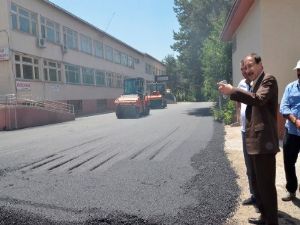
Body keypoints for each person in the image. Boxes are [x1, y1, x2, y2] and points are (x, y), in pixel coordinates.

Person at [218, 53, 279, 225]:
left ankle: (272, 221)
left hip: (264, 142)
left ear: (260, 64)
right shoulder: (254, 83)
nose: (248, 70)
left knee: (266, 186)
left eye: (250, 65)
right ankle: (265, 217)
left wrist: (233, 91)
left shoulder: (268, 79)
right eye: (245, 67)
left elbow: (258, 100)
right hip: (255, 141)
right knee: (259, 184)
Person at [279, 59, 300, 201]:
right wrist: (295, 120)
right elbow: (284, 107)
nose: (299, 73)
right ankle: (291, 190)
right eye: (298, 70)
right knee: (288, 162)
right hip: (292, 132)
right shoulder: (290, 87)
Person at [237, 60, 257, 207]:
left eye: (247, 68)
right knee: (249, 166)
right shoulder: (241, 84)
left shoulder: (259, 83)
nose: (245, 71)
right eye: (242, 69)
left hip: (256, 133)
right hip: (244, 131)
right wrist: (238, 116)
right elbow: (238, 101)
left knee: (258, 167)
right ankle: (254, 195)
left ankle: (262, 199)